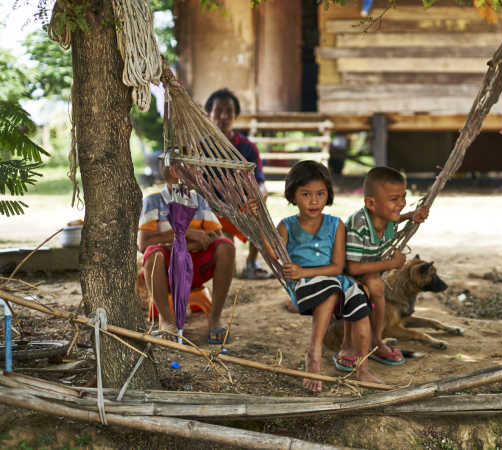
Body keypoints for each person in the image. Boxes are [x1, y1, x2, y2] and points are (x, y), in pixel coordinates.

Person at [277, 161, 382, 391]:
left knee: (359, 301)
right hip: (303, 285)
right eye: (306, 194)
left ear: (328, 194)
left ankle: (362, 368)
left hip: (330, 278)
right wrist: (256, 219)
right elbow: (270, 250)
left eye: (320, 194)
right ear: (293, 196)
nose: (314, 201)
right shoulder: (286, 227)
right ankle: (313, 354)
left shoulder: (336, 225)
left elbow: (336, 267)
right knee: (331, 290)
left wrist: (304, 270)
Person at [138, 164, 235, 344]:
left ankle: (215, 318)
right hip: (166, 272)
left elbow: (216, 236)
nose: (200, 172)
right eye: (194, 168)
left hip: (197, 268)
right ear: (175, 171)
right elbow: (144, 244)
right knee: (153, 254)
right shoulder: (153, 201)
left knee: (226, 247)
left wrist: (181, 244)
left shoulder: (199, 200)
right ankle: (168, 321)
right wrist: (186, 234)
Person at [344, 167, 429, 365]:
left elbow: (395, 217)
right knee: (372, 286)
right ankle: (365, 341)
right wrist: (391, 263)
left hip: (369, 269)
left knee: (376, 285)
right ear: (371, 203)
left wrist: (410, 216)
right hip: (345, 271)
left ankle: (376, 339)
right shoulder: (359, 225)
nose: (401, 203)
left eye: (403, 197)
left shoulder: (387, 218)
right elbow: (353, 268)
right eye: (394, 199)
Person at [205, 88, 272, 280]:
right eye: (218, 111)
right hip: (214, 210)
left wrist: (260, 196)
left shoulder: (247, 148)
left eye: (229, 111)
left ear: (236, 116)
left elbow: (260, 181)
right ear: (209, 114)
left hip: (242, 207)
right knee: (227, 268)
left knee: (260, 208)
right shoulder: (202, 148)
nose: (224, 116)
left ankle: (251, 262)